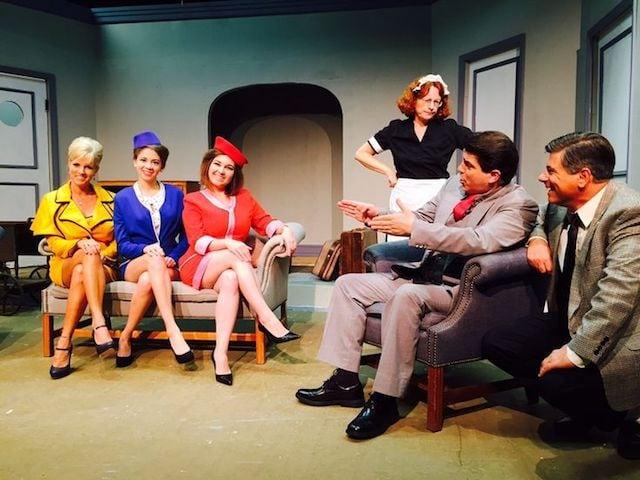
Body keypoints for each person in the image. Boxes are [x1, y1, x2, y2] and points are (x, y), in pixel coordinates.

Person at [296, 131, 538, 439]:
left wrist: (415, 228)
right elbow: (421, 217)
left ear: (494, 175)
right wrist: (378, 216)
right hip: (424, 275)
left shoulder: (518, 205)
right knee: (348, 285)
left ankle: (385, 400)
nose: (459, 170)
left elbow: (479, 240)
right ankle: (345, 383)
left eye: (468, 165)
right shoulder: (454, 185)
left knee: (407, 296)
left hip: (462, 291)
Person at [482, 132, 640, 460]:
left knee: (555, 382)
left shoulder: (628, 214)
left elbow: (618, 298)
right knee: (498, 344)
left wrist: (574, 353)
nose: (542, 177)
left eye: (551, 171)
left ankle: (626, 413)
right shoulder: (561, 206)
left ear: (583, 177)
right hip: (570, 317)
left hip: (620, 333)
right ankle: (589, 409)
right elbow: (540, 217)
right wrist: (537, 240)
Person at [179, 136, 299, 385]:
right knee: (236, 256)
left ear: (235, 174)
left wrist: (285, 230)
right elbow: (197, 241)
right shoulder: (193, 200)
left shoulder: (244, 197)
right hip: (199, 263)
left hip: (230, 264)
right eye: (217, 164)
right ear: (207, 165)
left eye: (229, 168)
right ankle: (266, 318)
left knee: (231, 279)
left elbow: (265, 222)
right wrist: (228, 243)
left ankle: (220, 354)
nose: (221, 171)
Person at [31, 137, 117, 379]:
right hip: (65, 264)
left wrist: (102, 253)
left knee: (85, 266)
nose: (82, 171)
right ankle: (99, 323)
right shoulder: (51, 200)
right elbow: (52, 242)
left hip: (103, 265)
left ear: (96, 169)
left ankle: (64, 342)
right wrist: (78, 244)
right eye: (77, 164)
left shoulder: (111, 200)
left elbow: (119, 240)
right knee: (84, 256)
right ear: (68, 164)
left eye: (88, 167)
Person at [354, 74, 472, 239]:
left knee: (433, 242)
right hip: (404, 195)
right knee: (397, 244)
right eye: (427, 100)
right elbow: (361, 153)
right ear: (414, 99)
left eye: (436, 102)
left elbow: (481, 147)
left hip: (437, 195)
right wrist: (388, 171)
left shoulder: (449, 129)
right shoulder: (396, 129)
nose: (432, 107)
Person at [113, 131, 193, 368]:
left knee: (149, 278)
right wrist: (146, 249)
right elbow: (122, 244)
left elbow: (187, 236)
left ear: (162, 166)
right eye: (143, 160)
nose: (149, 166)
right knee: (152, 260)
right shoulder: (123, 198)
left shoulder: (176, 195)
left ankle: (125, 336)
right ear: (134, 161)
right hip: (134, 263)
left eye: (155, 162)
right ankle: (173, 330)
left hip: (168, 264)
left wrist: (174, 256)